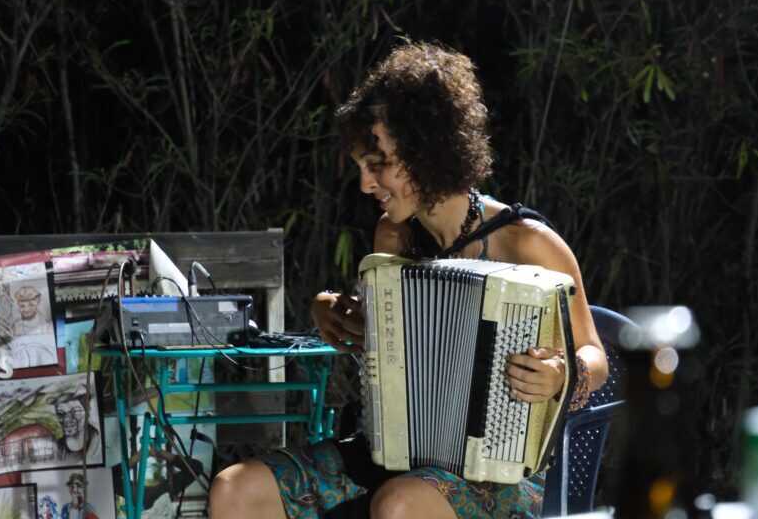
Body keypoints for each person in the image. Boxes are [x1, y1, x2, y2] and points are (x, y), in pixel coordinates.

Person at [208, 42, 609, 519]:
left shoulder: (528, 245)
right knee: (234, 490)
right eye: (360, 167)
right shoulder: (393, 235)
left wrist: (561, 373)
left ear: (427, 151)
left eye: (377, 165)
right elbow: (382, 338)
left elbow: (595, 355)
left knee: (400, 504)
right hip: (395, 454)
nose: (365, 184)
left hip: (501, 471)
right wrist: (335, 311)